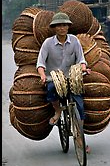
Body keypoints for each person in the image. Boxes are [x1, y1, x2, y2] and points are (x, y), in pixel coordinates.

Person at [36, 12, 91, 153]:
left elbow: (81, 59)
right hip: (53, 78)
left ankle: (80, 137)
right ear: (54, 28)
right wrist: (42, 75)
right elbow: (40, 63)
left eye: (64, 25)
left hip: (72, 78)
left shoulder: (74, 41)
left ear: (68, 27)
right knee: (50, 89)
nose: (62, 28)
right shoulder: (48, 43)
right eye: (59, 25)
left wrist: (84, 68)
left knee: (79, 105)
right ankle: (58, 110)